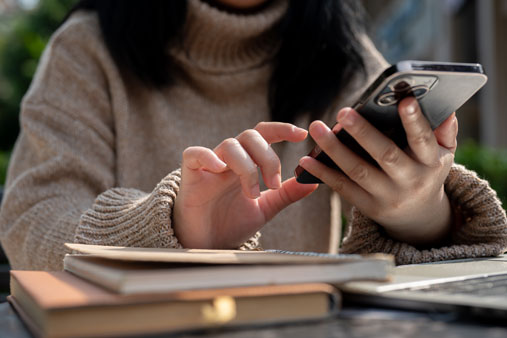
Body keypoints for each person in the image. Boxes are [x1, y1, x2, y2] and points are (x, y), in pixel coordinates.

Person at [0, 0, 505, 271]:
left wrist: (424, 216)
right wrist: (170, 230)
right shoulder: (86, 49)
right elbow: (33, 215)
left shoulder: (339, 49)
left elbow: (417, 211)